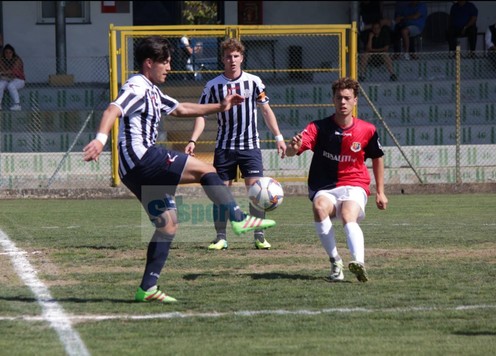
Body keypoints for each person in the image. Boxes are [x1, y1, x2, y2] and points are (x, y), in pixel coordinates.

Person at [82, 36, 276, 303]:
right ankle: (238, 217)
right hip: (141, 157)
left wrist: (221, 106)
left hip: (133, 171)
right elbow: (113, 109)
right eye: (166, 62)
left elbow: (182, 108)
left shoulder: (153, 90)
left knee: (168, 225)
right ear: (149, 63)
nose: (169, 68)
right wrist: (100, 139)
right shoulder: (137, 85)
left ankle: (147, 288)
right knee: (205, 170)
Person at [185, 38, 286, 251]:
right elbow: (201, 115)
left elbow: (266, 110)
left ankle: (259, 235)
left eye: (236, 56)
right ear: (222, 58)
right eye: (228, 56)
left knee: (257, 189)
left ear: (242, 58)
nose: (232, 60)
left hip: (250, 146)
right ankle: (220, 237)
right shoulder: (213, 85)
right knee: (220, 191)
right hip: (224, 147)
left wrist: (278, 136)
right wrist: (193, 139)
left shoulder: (254, 82)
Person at [286, 77, 388, 283]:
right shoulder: (318, 127)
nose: (343, 102)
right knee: (319, 207)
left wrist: (380, 191)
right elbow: (290, 152)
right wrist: (293, 147)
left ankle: (359, 262)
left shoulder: (367, 130)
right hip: (325, 186)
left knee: (348, 215)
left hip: (354, 184)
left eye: (347, 98)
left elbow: (377, 158)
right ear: (333, 100)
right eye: (339, 97)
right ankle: (335, 261)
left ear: (355, 101)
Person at [0, 44, 25, 111]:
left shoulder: (17, 59)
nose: (8, 54)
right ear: (4, 53)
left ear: (13, 53)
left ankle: (17, 105)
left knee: (11, 86)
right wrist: (4, 73)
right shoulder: (2, 60)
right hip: (6, 79)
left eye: (10, 52)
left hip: (18, 79)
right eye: (6, 52)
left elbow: (13, 71)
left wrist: (3, 72)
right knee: (0, 85)